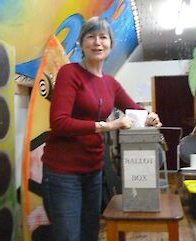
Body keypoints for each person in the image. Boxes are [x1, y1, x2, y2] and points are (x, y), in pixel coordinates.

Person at [41, 16, 162, 241]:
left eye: (103, 37)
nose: (97, 42)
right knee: (68, 236)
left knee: (90, 234)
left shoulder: (110, 83)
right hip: (63, 173)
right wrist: (108, 126)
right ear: (81, 43)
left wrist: (150, 117)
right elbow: (59, 122)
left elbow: (135, 109)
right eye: (91, 36)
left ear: (111, 45)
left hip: (93, 170)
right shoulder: (70, 73)